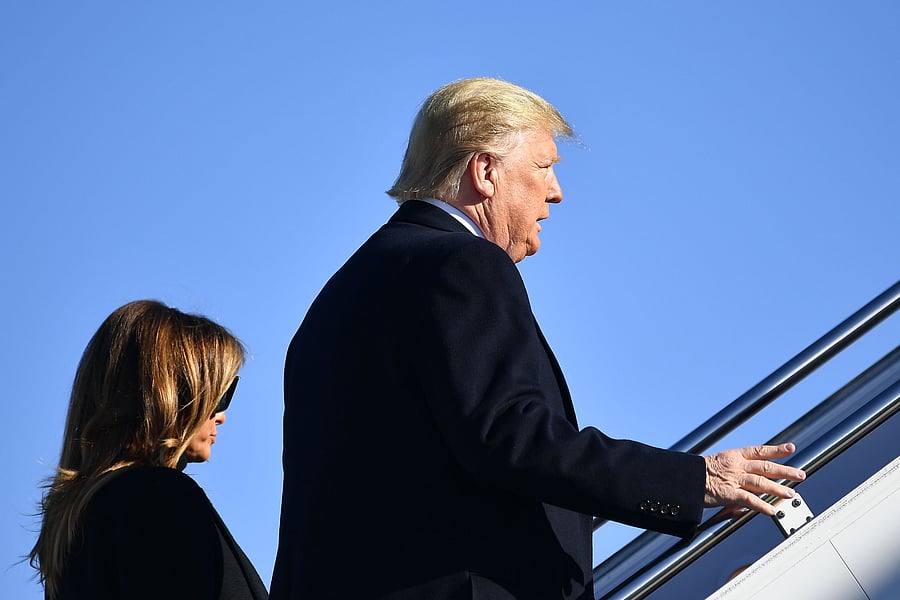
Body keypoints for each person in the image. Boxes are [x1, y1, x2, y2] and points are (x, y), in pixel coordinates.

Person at [269, 78, 806, 600]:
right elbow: (511, 437)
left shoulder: (341, 296)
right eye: (544, 167)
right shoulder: (462, 262)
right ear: (485, 171)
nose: (556, 191)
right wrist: (694, 481)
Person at [30, 300, 268, 600]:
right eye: (220, 396)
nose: (221, 415)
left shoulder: (78, 532)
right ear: (171, 393)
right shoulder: (159, 500)